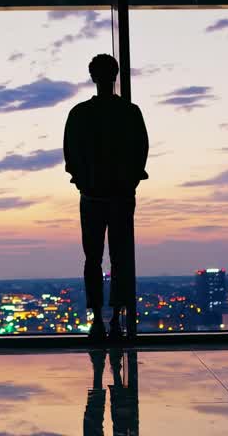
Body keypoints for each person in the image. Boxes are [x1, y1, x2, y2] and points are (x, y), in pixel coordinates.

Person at [63, 54, 148, 341]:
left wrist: (83, 182)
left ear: (92, 77)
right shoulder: (130, 112)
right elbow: (141, 151)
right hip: (120, 196)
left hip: (92, 197)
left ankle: (98, 320)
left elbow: (70, 154)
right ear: (115, 76)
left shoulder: (79, 114)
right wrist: (129, 181)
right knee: (120, 258)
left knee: (93, 259)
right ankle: (115, 321)